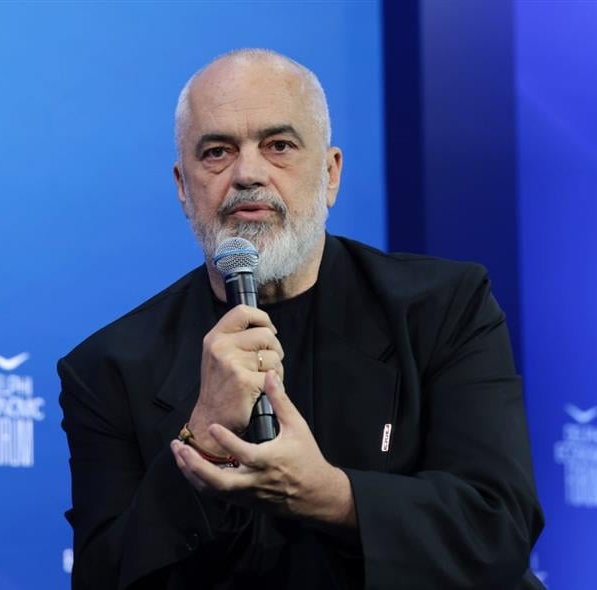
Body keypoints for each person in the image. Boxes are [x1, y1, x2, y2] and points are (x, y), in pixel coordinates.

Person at [58, 49, 544, 589]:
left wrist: (331, 495)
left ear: (331, 173)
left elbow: (498, 525)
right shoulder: (107, 369)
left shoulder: (442, 307)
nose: (248, 174)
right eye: (217, 152)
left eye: (279, 146)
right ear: (182, 187)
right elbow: (104, 578)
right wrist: (202, 438)